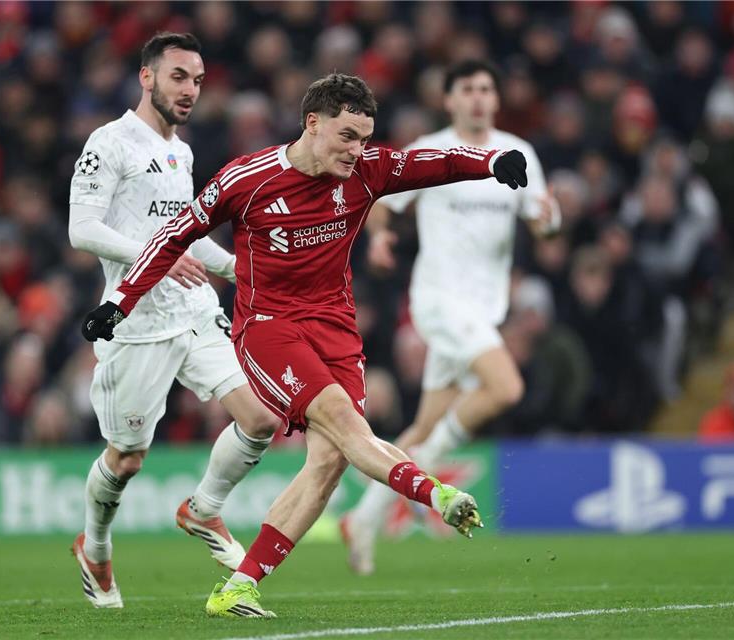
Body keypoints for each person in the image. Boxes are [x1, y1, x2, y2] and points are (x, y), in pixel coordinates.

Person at [81, 72, 529, 618]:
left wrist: (490, 163)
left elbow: (436, 162)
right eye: (346, 135)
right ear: (312, 123)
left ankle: (238, 588)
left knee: (331, 458)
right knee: (342, 419)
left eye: (365, 137)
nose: (356, 150)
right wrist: (121, 300)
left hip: (335, 327)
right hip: (267, 326)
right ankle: (435, 494)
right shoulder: (248, 179)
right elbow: (175, 235)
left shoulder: (368, 172)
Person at [68, 33, 298, 609]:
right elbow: (82, 229)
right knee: (127, 459)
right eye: (178, 77)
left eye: (197, 79)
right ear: (146, 78)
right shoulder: (109, 143)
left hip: (195, 315)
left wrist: (248, 272)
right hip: (136, 322)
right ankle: (94, 547)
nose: (190, 90)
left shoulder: (183, 151)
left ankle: (202, 511)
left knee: (264, 416)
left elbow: (188, 242)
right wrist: (160, 261)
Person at [340, 60, 558, 576]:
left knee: (425, 426)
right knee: (505, 388)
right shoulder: (429, 151)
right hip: (440, 301)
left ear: (497, 100)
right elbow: (382, 199)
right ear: (450, 100)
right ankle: (432, 489)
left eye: (487, 88)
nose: (479, 97)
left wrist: (550, 223)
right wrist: (381, 237)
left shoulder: (518, 153)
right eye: (468, 89)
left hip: (484, 311)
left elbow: (542, 222)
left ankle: (364, 518)